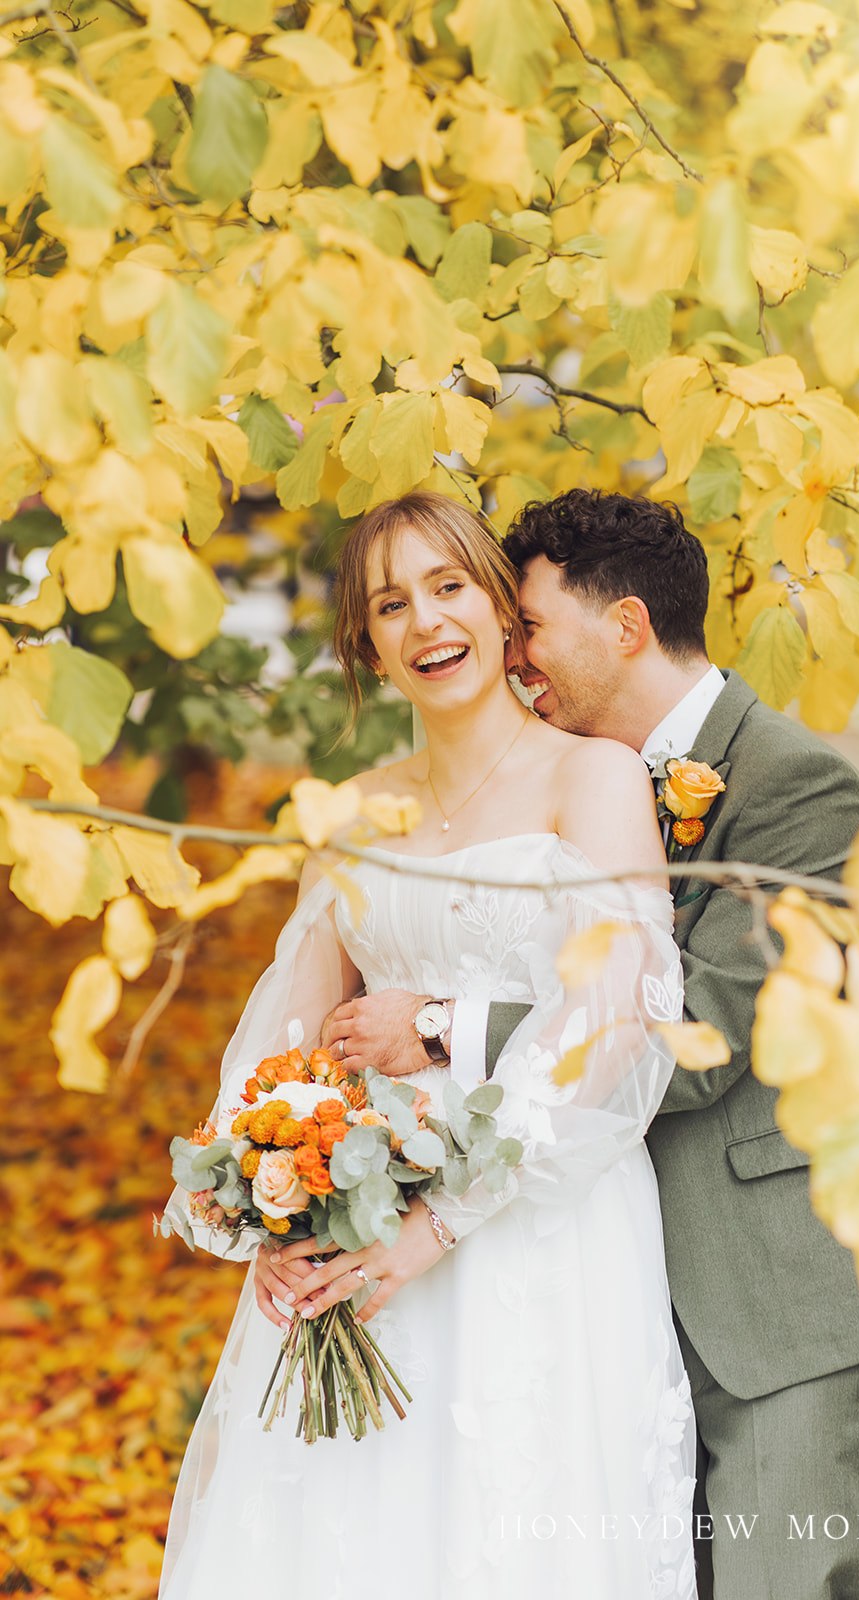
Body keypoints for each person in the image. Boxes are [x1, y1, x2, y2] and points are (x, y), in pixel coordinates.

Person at [326, 489, 859, 1600]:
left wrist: (445, 1025)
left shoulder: (795, 785)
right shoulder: (564, 778)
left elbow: (707, 1027)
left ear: (626, 627)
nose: (513, 648)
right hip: (601, 1279)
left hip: (770, 1300)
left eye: (530, 624)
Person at [159, 491, 697, 1600]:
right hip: (357, 1223)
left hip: (539, 1220)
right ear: (366, 643)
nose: (424, 622)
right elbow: (290, 1040)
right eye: (388, 604)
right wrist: (268, 1201)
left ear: (503, 610)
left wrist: (438, 1221)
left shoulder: (587, 778)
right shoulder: (353, 815)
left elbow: (613, 1018)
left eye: (448, 586)